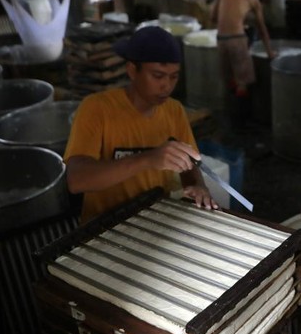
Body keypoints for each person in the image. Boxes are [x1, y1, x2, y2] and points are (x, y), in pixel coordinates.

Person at [64, 26, 217, 224]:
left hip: (156, 221)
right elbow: (77, 180)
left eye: (173, 76)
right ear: (132, 71)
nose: (167, 86)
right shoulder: (96, 108)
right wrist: (148, 159)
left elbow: (189, 164)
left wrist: (197, 185)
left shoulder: (174, 111)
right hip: (104, 226)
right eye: (158, 76)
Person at [210, 0, 274, 129]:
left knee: (229, 79)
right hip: (237, 39)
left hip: (221, 39)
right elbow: (262, 28)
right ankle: (241, 124)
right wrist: (270, 52)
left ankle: (230, 119)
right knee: (244, 81)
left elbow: (212, 17)